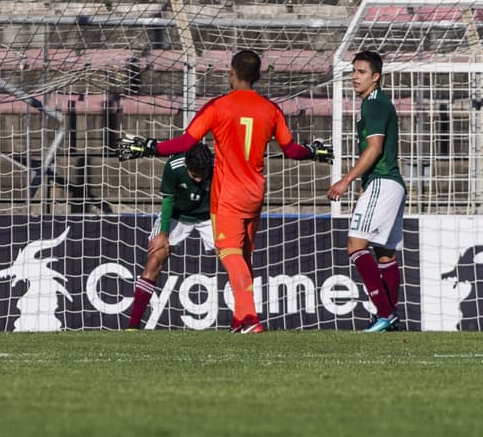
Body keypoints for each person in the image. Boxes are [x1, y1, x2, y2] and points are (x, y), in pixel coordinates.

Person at [118, 50, 331, 333]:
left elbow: (185, 142)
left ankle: (249, 318)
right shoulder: (270, 109)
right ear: (257, 75)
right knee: (243, 257)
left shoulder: (218, 106)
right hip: (255, 193)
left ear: (232, 72)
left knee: (230, 255)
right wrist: (313, 152)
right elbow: (291, 150)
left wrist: (149, 147)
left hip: (228, 195)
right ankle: (238, 320)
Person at [327, 51, 406, 332]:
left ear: (376, 77)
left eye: (361, 72)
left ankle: (385, 313)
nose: (355, 77)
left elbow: (374, 148)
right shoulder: (378, 103)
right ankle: (389, 316)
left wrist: (347, 180)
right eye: (354, 71)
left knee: (355, 245)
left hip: (383, 181)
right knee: (385, 252)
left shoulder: (373, 104)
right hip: (389, 183)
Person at [125, 143, 215, 330]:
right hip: (177, 216)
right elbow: (168, 200)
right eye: (194, 175)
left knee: (233, 259)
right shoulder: (173, 167)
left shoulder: (217, 167)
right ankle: (132, 326)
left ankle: (244, 320)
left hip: (210, 216)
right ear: (187, 166)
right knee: (154, 260)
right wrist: (163, 234)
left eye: (202, 175)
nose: (198, 180)